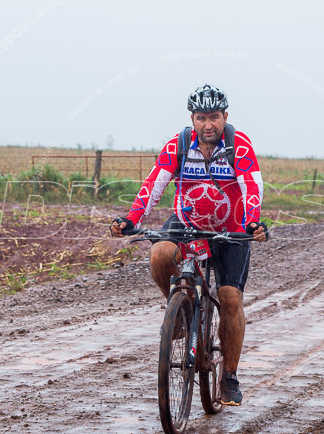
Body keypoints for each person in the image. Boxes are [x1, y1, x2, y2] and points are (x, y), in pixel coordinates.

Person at [111, 84, 266, 406]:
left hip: (232, 227)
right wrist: (130, 218)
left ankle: (230, 377)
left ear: (225, 117)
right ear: (192, 119)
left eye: (214, 117)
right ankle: (180, 315)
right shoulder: (179, 145)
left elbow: (251, 185)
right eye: (200, 118)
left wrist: (252, 221)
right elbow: (154, 184)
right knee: (159, 253)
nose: (208, 124)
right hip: (189, 222)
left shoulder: (239, 146)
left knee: (230, 298)